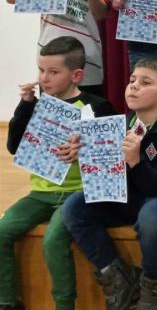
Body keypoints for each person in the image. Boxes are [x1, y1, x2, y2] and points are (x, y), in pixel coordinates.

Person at [61, 57, 157, 310]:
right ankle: (118, 279)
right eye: (132, 80)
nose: (133, 86)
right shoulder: (127, 121)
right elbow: (111, 174)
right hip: (136, 197)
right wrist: (86, 155)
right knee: (75, 206)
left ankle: (156, 288)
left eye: (145, 82)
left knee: (152, 213)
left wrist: (136, 162)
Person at [0, 37, 114, 310]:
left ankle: (64, 305)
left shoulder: (97, 107)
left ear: (76, 75)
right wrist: (25, 105)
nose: (44, 78)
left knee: (53, 240)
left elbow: (110, 158)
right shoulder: (36, 106)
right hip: (41, 193)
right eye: (41, 70)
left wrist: (83, 150)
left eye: (53, 72)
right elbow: (14, 146)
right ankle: (7, 301)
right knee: (2, 230)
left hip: (79, 194)